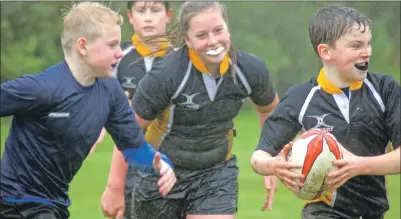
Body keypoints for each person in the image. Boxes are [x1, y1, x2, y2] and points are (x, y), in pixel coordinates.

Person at [101, 1, 281, 219]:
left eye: (218, 30)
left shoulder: (250, 69)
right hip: (162, 173)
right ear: (187, 40)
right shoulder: (166, 75)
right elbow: (129, 130)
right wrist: (114, 187)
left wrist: (270, 156)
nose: (213, 41)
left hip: (215, 172)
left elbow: (270, 111)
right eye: (202, 35)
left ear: (228, 29)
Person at [0, 2, 176, 219]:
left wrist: (161, 165)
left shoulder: (111, 92)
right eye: (112, 45)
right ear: (83, 46)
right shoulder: (43, 89)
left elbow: (133, 149)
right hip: (12, 203)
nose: (121, 53)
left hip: (53, 203)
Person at [251, 5, 400, 219]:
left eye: (368, 43)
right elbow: (258, 157)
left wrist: (359, 165)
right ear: (325, 51)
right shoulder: (301, 97)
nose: (367, 51)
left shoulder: (385, 90)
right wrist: (272, 165)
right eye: (356, 45)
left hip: (373, 212)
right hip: (322, 211)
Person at [98, 1, 173, 218]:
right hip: (131, 160)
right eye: (141, 11)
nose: (148, 17)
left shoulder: (181, 59)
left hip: (175, 158)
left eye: (155, 10)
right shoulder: (118, 58)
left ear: (169, 15)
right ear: (130, 16)